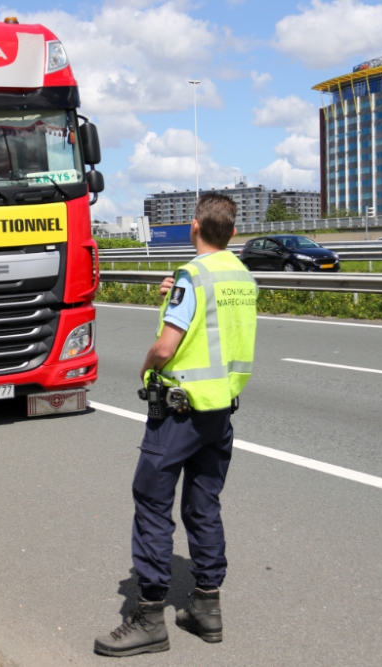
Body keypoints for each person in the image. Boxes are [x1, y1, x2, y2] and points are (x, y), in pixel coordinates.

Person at [94, 193, 258, 657]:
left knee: (151, 502)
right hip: (219, 409)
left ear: (194, 226)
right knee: (203, 506)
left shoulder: (192, 276)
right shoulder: (241, 276)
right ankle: (207, 608)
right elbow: (216, 323)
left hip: (179, 410)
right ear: (230, 231)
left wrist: (146, 367)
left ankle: (149, 618)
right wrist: (177, 294)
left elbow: (167, 348)